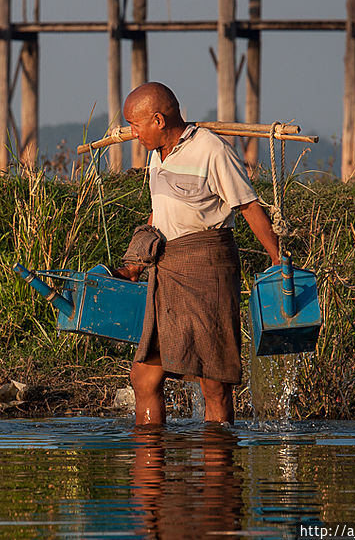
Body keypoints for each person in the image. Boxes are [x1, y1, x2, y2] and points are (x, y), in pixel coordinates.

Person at [113, 82, 280, 426]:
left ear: (158, 120)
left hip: (207, 267)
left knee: (214, 384)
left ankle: (217, 473)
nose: (132, 133)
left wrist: (278, 258)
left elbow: (247, 205)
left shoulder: (212, 150)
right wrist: (135, 264)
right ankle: (149, 469)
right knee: (144, 377)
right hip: (167, 270)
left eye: (136, 124)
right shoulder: (156, 153)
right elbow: (160, 212)